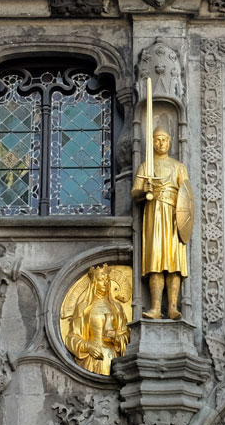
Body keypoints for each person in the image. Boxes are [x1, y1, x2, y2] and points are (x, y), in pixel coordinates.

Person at [132, 128, 192, 319]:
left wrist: (181, 215)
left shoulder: (178, 166)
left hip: (174, 216)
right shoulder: (146, 166)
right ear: (152, 142)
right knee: (155, 261)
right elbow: (135, 192)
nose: (161, 144)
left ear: (170, 142)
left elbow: (187, 195)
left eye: (164, 140)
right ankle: (156, 307)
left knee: (173, 262)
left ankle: (173, 307)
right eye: (157, 140)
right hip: (154, 215)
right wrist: (146, 191)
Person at [62, 264, 131, 375]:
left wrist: (116, 338)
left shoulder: (117, 308)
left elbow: (127, 336)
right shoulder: (83, 307)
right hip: (92, 358)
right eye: (101, 280)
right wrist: (88, 347)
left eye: (107, 280)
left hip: (112, 358)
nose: (105, 283)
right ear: (94, 283)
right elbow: (71, 338)